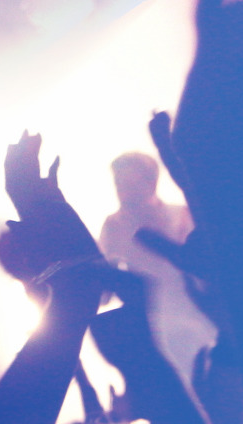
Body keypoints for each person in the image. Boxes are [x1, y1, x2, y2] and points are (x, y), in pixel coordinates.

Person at [97, 151, 214, 376]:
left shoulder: (182, 215)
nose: (123, 190)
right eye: (119, 183)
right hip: (153, 328)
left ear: (151, 182)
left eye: (130, 183)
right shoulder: (113, 226)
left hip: (200, 316)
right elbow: (105, 289)